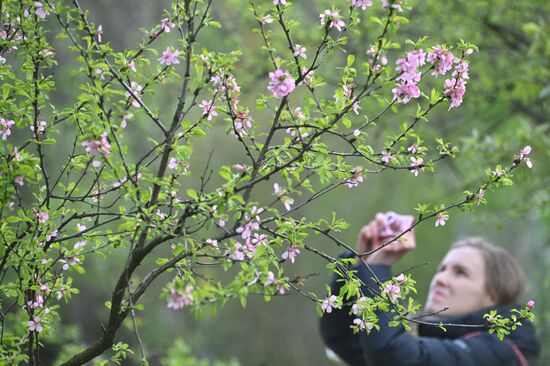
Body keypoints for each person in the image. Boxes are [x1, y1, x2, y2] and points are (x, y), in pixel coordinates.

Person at [319, 212, 540, 366]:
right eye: (442, 269)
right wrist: (361, 265)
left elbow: (395, 357)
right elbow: (343, 338)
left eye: (460, 272)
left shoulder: (502, 352)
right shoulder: (434, 340)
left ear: (493, 295)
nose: (441, 278)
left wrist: (377, 271)